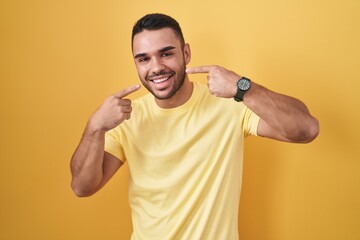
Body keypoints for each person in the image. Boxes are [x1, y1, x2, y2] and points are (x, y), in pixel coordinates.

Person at [70, 13, 319, 240]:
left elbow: (306, 129)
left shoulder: (229, 104)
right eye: (144, 59)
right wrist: (95, 127)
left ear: (186, 54)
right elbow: (82, 187)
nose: (156, 67)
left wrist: (244, 88)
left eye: (166, 53)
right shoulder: (126, 118)